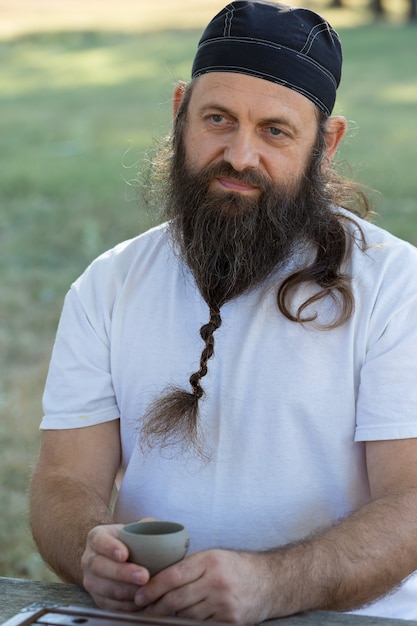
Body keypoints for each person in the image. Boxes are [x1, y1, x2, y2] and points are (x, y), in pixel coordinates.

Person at [29, 1, 417, 622]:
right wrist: (88, 552)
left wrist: (273, 584)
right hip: (148, 612)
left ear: (327, 143)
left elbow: (412, 503)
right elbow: (62, 482)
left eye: (275, 130)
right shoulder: (109, 284)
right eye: (218, 118)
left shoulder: (396, 287)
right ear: (180, 112)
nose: (240, 154)